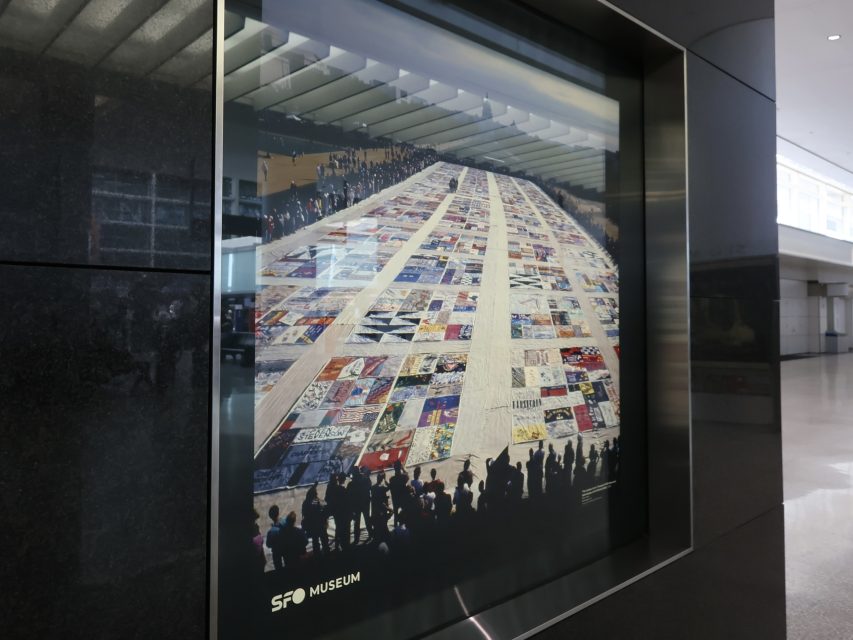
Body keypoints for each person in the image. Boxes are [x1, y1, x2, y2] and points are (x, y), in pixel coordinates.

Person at [301, 483, 330, 557]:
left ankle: (317, 555)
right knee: (324, 540)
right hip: (319, 524)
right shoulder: (314, 501)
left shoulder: (305, 502)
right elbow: (322, 504)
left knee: (315, 541)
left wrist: (314, 485)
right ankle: (326, 553)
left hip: (312, 526)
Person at [325, 473, 350, 551]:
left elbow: (326, 499)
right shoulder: (339, 489)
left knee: (338, 527)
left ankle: (337, 544)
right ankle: (342, 545)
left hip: (336, 511)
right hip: (341, 511)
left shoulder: (330, 488)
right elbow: (346, 501)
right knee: (342, 528)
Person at [388, 460, 410, 527]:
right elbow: (407, 474)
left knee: (396, 515)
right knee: (405, 513)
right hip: (403, 499)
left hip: (395, 499)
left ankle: (396, 528)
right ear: (400, 467)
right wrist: (403, 468)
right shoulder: (404, 477)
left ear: (394, 468)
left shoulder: (392, 479)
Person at [266, 505, 285, 571]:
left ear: (270, 517)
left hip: (276, 551)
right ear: (278, 513)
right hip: (286, 548)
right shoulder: (285, 522)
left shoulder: (271, 532)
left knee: (278, 567)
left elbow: (268, 545)